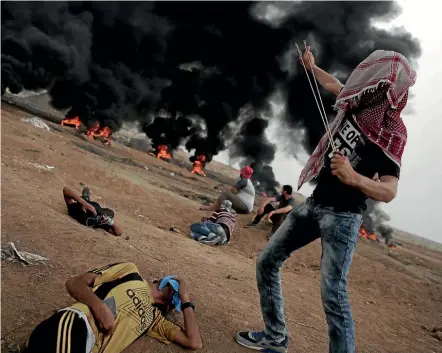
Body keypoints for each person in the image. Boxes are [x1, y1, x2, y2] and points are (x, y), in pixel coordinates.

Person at [235, 48, 416, 353]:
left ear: (391, 89)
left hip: (344, 218)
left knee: (333, 294)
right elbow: (335, 86)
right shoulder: (356, 102)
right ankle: (275, 337)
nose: (370, 84)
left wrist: (354, 177)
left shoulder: (392, 133)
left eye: (379, 83)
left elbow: (389, 190)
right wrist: (312, 67)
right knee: (267, 262)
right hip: (314, 205)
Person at [25, 262, 202, 353]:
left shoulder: (154, 320)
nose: (176, 288)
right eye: (175, 283)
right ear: (160, 280)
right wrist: (98, 307)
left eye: (177, 292)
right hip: (77, 325)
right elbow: (74, 283)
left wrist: (185, 298)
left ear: (170, 305)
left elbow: (193, 342)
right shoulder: (130, 272)